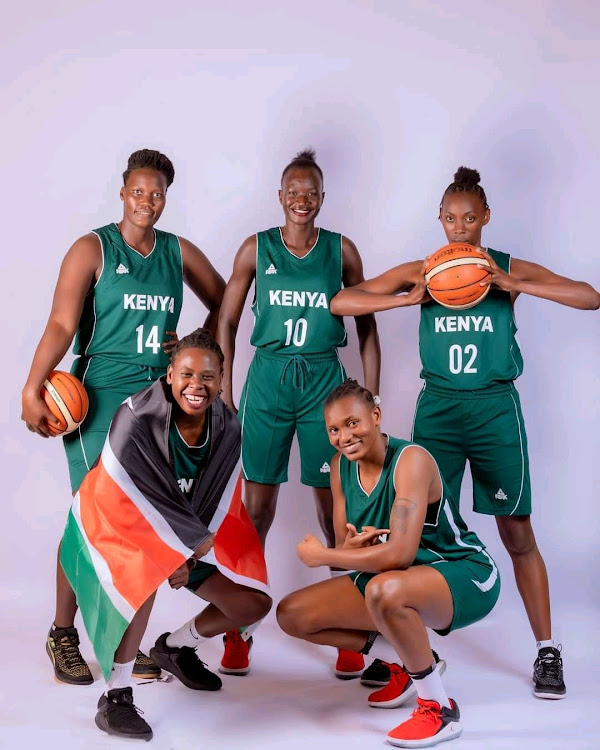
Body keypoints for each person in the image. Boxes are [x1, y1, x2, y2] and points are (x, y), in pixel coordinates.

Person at [330, 166, 600, 699]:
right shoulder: (424, 269)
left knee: (516, 531)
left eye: (470, 218)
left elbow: (590, 296)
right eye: (451, 218)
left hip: (495, 408)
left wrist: (513, 284)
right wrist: (405, 300)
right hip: (440, 410)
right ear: (440, 219)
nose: (460, 228)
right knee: (415, 528)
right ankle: (409, 654)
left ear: (486, 218)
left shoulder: (503, 268)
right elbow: (344, 301)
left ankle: (547, 650)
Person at [21, 149, 225, 685]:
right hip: (101, 397)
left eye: (157, 193)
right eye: (139, 191)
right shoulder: (92, 248)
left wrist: (194, 345)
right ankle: (63, 635)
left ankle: (127, 643)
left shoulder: (177, 253)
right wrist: (31, 385)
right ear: (122, 191)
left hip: (159, 400)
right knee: (91, 519)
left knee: (148, 521)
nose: (147, 201)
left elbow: (226, 299)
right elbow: (63, 324)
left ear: (166, 197)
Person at [60, 329, 271, 741]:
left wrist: (188, 556)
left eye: (209, 377)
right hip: (116, 525)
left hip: (181, 539)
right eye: (187, 374)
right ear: (170, 374)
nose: (198, 385)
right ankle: (115, 696)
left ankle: (173, 647)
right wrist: (173, 553)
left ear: (222, 380)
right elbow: (128, 493)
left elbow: (216, 495)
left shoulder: (227, 424)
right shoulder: (136, 415)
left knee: (252, 604)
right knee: (146, 573)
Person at [216, 148, 381, 678]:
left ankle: (350, 633)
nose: (302, 199)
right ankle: (238, 630)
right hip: (268, 380)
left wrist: (369, 397)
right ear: (280, 196)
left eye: (311, 192)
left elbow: (368, 326)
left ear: (322, 198)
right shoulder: (255, 248)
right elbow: (227, 321)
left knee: (335, 511)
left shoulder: (341, 251)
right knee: (255, 511)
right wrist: (225, 390)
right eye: (294, 191)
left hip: (323, 384)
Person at [277, 380, 499, 747]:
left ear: (376, 416)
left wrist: (324, 557)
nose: (343, 436)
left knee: (383, 589)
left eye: (353, 423)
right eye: (333, 429)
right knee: (292, 614)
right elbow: (344, 544)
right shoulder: (339, 467)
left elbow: (398, 555)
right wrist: (348, 547)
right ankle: (411, 663)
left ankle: (438, 708)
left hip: (465, 573)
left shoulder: (411, 460)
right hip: (398, 578)